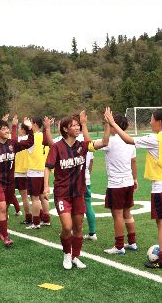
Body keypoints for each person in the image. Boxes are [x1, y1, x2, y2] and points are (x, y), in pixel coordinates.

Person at [105, 107, 162, 269]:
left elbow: (128, 139)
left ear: (159, 122)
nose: (150, 122)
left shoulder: (156, 139)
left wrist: (113, 123)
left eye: (152, 119)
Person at [44, 111, 99, 269]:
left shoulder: (82, 145)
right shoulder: (57, 147)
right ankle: (67, 254)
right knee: (67, 227)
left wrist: (108, 125)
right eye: (73, 125)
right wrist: (46, 186)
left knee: (78, 228)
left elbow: (102, 142)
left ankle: (76, 256)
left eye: (77, 125)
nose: (77, 127)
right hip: (62, 194)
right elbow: (47, 167)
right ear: (65, 129)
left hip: (78, 193)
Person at [0, 116, 36, 247]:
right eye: (3, 129)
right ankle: (5, 236)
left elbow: (29, 143)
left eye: (7, 128)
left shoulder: (12, 144)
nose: (7, 130)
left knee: (5, 208)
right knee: (2, 208)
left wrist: (29, 129)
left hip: (10, 182)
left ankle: (0, 232)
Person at [98, 112, 140, 255]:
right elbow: (133, 161)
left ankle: (119, 246)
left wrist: (106, 125)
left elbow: (96, 143)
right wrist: (135, 179)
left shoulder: (110, 141)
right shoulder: (130, 141)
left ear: (113, 125)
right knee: (127, 213)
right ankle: (132, 242)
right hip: (128, 182)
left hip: (116, 184)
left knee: (117, 215)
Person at [25, 116, 52, 229]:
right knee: (43, 196)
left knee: (35, 198)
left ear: (35, 124)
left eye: (31, 123)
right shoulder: (45, 136)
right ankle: (46, 220)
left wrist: (28, 128)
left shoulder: (32, 137)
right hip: (44, 171)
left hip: (34, 171)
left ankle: (36, 222)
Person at [14, 122, 32, 226]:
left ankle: (28, 217)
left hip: (20, 171)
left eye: (20, 128)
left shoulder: (19, 140)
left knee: (24, 197)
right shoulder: (32, 139)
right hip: (31, 170)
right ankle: (41, 216)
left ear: (23, 129)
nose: (18, 130)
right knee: (35, 197)